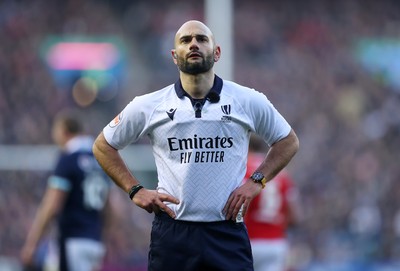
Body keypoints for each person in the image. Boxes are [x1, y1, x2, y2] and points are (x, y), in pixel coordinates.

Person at [92, 20, 299, 271]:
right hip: (173, 233)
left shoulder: (247, 100)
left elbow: (288, 141)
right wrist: (135, 190)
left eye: (201, 39)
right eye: (185, 40)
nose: (193, 44)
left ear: (217, 52)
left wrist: (256, 181)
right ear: (174, 56)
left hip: (227, 232)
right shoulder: (149, 105)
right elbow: (103, 146)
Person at [21, 110, 111, 271]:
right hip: (94, 242)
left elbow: (52, 206)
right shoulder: (100, 161)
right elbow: (110, 207)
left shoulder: (68, 159)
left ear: (63, 131)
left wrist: (32, 243)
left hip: (72, 241)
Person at [244, 134, 302, 271]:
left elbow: (241, 206)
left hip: (250, 242)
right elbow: (295, 216)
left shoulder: (244, 169)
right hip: (276, 245)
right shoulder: (281, 172)